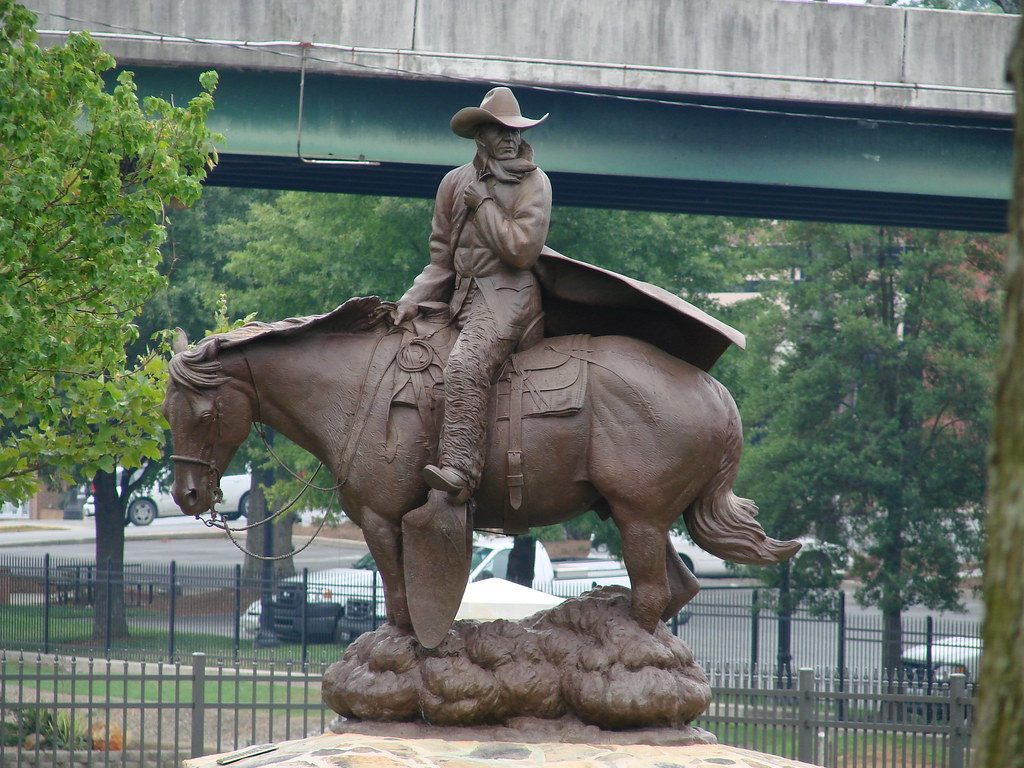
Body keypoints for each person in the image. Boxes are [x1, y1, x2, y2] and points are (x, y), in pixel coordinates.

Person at [391, 87, 551, 504]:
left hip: (507, 298)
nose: (511, 138)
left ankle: (461, 470)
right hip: (457, 300)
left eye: (515, 131)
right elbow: (440, 260)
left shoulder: (534, 183)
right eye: (500, 130)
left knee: (464, 365)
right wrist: (411, 298)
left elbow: (522, 251)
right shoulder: (453, 182)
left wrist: (484, 205)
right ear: (480, 136)